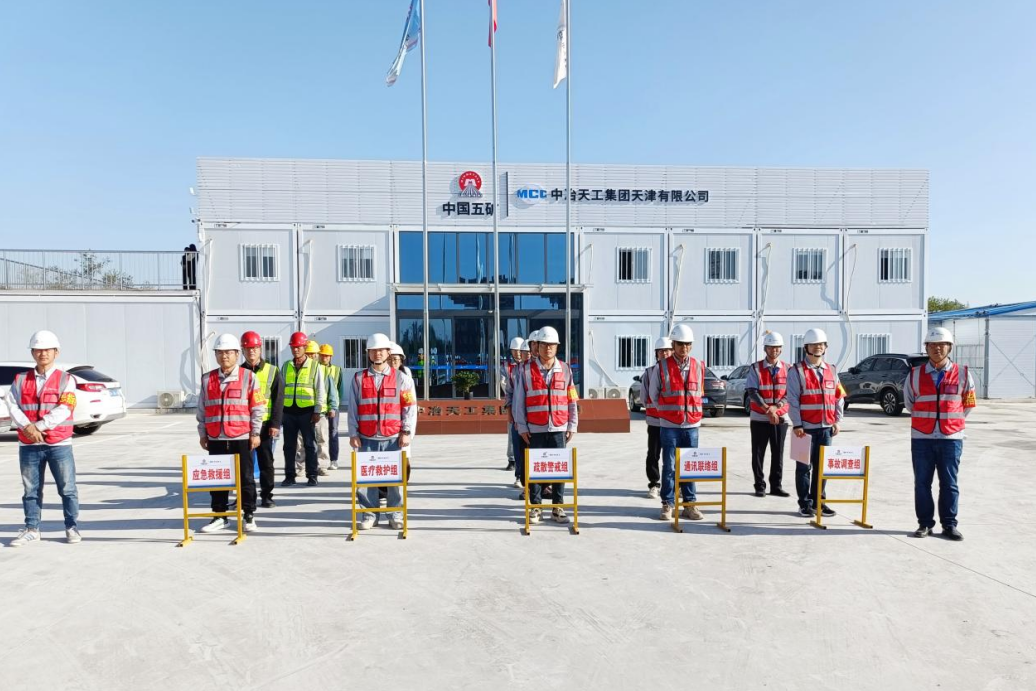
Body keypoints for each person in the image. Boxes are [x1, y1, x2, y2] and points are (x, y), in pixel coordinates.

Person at [5, 330, 82, 547]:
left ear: (56, 352)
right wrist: (28, 428)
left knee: (67, 488)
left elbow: (65, 408)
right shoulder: (20, 379)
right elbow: (12, 405)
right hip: (29, 444)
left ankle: (71, 527)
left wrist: (38, 426)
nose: (43, 353)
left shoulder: (66, 379)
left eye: (47, 349)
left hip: (59, 444)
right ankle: (32, 529)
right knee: (30, 490)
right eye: (38, 350)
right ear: (32, 353)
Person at [904, 327, 976, 541]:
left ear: (950, 347)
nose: (937, 348)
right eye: (933, 345)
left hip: (951, 439)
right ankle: (925, 524)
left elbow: (968, 404)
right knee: (922, 483)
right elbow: (909, 403)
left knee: (949, 483)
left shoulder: (963, 373)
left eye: (942, 344)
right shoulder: (914, 375)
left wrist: (950, 422)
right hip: (922, 438)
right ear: (926, 348)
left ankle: (949, 525)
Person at [196, 334, 265, 534]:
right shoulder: (207, 379)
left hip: (241, 437)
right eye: (220, 352)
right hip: (216, 438)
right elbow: (202, 409)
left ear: (237, 354)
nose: (224, 356)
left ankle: (248, 515)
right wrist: (203, 433)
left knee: (246, 479)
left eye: (228, 352)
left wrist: (255, 433)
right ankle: (220, 516)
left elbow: (258, 407)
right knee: (218, 479)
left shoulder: (249, 377)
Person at [348, 333, 416, 531]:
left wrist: (406, 431)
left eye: (381, 350)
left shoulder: (402, 378)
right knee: (366, 480)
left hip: (393, 437)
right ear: (368, 353)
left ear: (388, 352)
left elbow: (409, 407)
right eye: (373, 350)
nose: (377, 354)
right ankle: (369, 515)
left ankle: (396, 514)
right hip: (366, 437)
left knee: (396, 480)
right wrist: (353, 433)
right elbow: (353, 407)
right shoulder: (359, 379)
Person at [512, 326, 578, 525]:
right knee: (535, 470)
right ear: (537, 346)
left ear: (557, 347)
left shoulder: (565, 369)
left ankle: (558, 507)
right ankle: (536, 507)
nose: (548, 348)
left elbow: (572, 399)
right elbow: (519, 401)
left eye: (551, 345)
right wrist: (522, 427)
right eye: (544, 344)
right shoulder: (525, 370)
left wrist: (572, 425)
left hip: (559, 427)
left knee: (559, 470)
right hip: (535, 428)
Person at [787, 328, 845, 518]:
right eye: (813, 344)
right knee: (803, 468)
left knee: (822, 467)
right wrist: (797, 424)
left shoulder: (832, 370)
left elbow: (839, 397)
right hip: (804, 429)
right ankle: (805, 504)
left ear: (825, 347)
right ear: (806, 347)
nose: (818, 347)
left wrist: (837, 420)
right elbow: (792, 399)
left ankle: (819, 501)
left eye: (821, 344)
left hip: (826, 428)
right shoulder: (796, 371)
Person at [650, 324, 705, 522]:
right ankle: (667, 504)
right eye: (680, 344)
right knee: (670, 466)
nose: (684, 348)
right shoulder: (662, 366)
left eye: (687, 344)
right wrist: (666, 413)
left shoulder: (698, 366)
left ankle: (689, 504)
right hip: (670, 426)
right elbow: (654, 394)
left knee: (690, 465)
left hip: (691, 426)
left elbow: (700, 392)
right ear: (673, 344)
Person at [744, 331, 791, 498]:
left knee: (778, 453)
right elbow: (752, 391)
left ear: (781, 349)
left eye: (777, 347)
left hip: (780, 417)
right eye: (771, 347)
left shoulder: (788, 369)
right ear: (765, 348)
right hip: (759, 417)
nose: (774, 350)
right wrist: (767, 409)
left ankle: (776, 486)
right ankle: (759, 485)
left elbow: (790, 393)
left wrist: (776, 408)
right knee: (758, 453)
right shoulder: (755, 368)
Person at [240, 330, 283, 508]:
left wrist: (275, 424)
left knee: (266, 462)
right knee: (244, 464)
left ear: (260, 349)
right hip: (243, 425)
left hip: (265, 425)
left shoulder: (272, 371)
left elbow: (278, 399)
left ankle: (267, 495)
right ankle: (245, 497)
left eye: (255, 348)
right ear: (243, 350)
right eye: (248, 348)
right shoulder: (238, 372)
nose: (251, 351)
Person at [281, 331, 326, 487]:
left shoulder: (314, 366)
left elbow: (320, 390)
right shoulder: (286, 366)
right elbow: (281, 390)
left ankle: (312, 475)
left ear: (305, 347)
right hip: (288, 412)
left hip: (307, 412)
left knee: (309, 445)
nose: (295, 350)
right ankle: (289, 476)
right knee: (289, 446)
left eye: (298, 347)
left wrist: (317, 411)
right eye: (293, 347)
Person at [641, 336, 672, 500]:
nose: (664, 354)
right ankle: (654, 484)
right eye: (661, 351)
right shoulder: (649, 372)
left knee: (672, 455)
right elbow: (644, 397)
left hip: (673, 423)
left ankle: (674, 485)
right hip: (655, 421)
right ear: (656, 354)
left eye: (667, 351)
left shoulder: (676, 371)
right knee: (653, 454)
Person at [510, 331, 539, 494]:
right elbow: (514, 396)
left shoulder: (556, 368)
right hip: (522, 420)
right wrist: (516, 419)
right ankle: (524, 482)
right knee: (522, 453)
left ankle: (544, 487)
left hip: (542, 422)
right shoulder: (519, 370)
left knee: (540, 455)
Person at [319, 344, 344, 471]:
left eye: (327, 356)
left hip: (333, 407)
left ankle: (334, 460)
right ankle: (318, 460)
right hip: (320, 407)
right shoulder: (316, 368)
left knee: (333, 432)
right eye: (323, 355)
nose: (325, 358)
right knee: (320, 435)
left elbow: (340, 389)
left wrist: (335, 406)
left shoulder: (337, 370)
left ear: (331, 357)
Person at [501, 336, 525, 473]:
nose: (517, 353)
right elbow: (504, 384)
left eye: (519, 350)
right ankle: (512, 459)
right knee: (512, 431)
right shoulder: (507, 367)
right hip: (514, 402)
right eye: (514, 350)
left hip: (527, 403)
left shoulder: (528, 365)